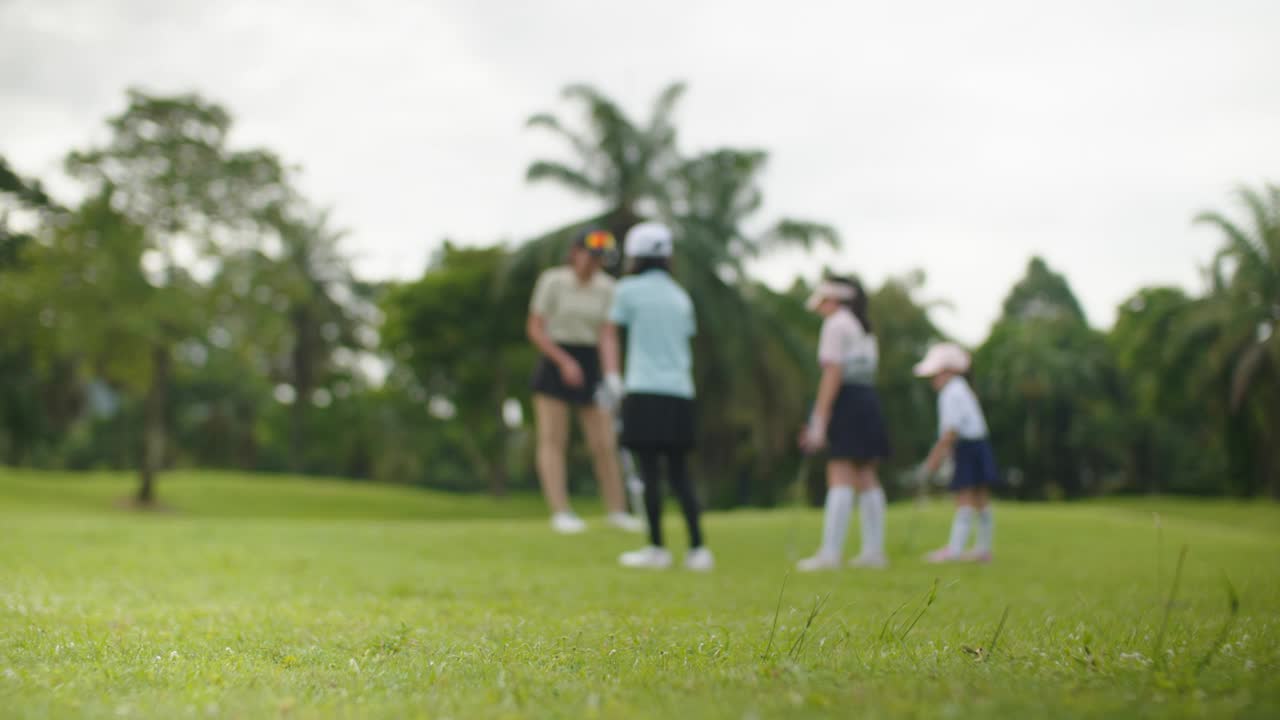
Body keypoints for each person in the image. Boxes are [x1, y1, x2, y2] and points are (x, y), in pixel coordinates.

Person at [600, 222, 712, 571]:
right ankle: (698, 549)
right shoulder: (680, 296)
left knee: (650, 473)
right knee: (680, 474)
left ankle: (657, 548)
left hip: (643, 389)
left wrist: (613, 378)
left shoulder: (627, 289)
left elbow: (609, 335)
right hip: (680, 391)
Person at [526, 228, 644, 534]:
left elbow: (607, 336)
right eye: (589, 255)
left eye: (600, 258)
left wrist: (612, 375)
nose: (593, 263)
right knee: (554, 439)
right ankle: (561, 512)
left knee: (604, 442)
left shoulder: (608, 287)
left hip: (591, 363)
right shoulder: (553, 280)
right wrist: (564, 362)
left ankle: (617, 511)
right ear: (575, 253)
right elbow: (536, 329)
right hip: (556, 358)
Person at [796, 276, 892, 571]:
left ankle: (830, 553)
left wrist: (819, 422)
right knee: (865, 475)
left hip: (848, 400)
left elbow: (832, 374)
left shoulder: (836, 324)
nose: (821, 308)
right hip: (867, 399)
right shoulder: (863, 327)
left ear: (835, 300)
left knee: (839, 472)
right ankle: (874, 552)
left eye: (824, 301)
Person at [914, 342, 998, 563]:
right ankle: (983, 549)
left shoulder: (950, 393)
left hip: (968, 448)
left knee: (964, 497)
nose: (933, 379)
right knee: (980, 499)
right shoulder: (962, 388)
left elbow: (951, 431)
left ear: (949, 371)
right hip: (980, 445)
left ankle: (955, 550)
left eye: (937, 374)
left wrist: (934, 460)